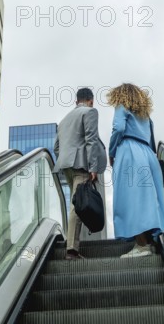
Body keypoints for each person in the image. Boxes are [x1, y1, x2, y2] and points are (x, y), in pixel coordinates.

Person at [108, 83, 164, 258]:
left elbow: (118, 128)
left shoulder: (122, 105)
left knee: (130, 199)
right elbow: (151, 138)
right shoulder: (145, 115)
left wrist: (111, 151)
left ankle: (141, 245)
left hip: (129, 151)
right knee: (147, 201)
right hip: (148, 155)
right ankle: (150, 243)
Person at [53, 87, 107, 260]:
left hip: (66, 165)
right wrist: (93, 167)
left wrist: (65, 160)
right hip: (81, 165)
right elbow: (91, 140)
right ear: (91, 100)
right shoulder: (90, 112)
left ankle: (74, 246)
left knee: (78, 202)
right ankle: (71, 250)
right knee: (78, 206)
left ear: (76, 101)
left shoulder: (63, 121)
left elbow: (56, 148)